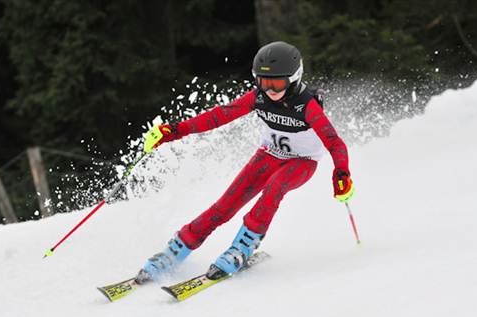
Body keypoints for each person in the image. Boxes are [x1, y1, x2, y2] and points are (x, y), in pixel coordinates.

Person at [135, 41, 354, 283]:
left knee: (276, 186)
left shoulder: (307, 106)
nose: (269, 90)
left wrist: (341, 174)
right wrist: (176, 130)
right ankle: (177, 248)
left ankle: (242, 247)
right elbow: (220, 115)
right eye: (263, 82)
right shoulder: (257, 98)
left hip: (301, 162)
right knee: (225, 205)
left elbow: (335, 143)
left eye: (277, 83)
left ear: (294, 78)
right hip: (269, 155)